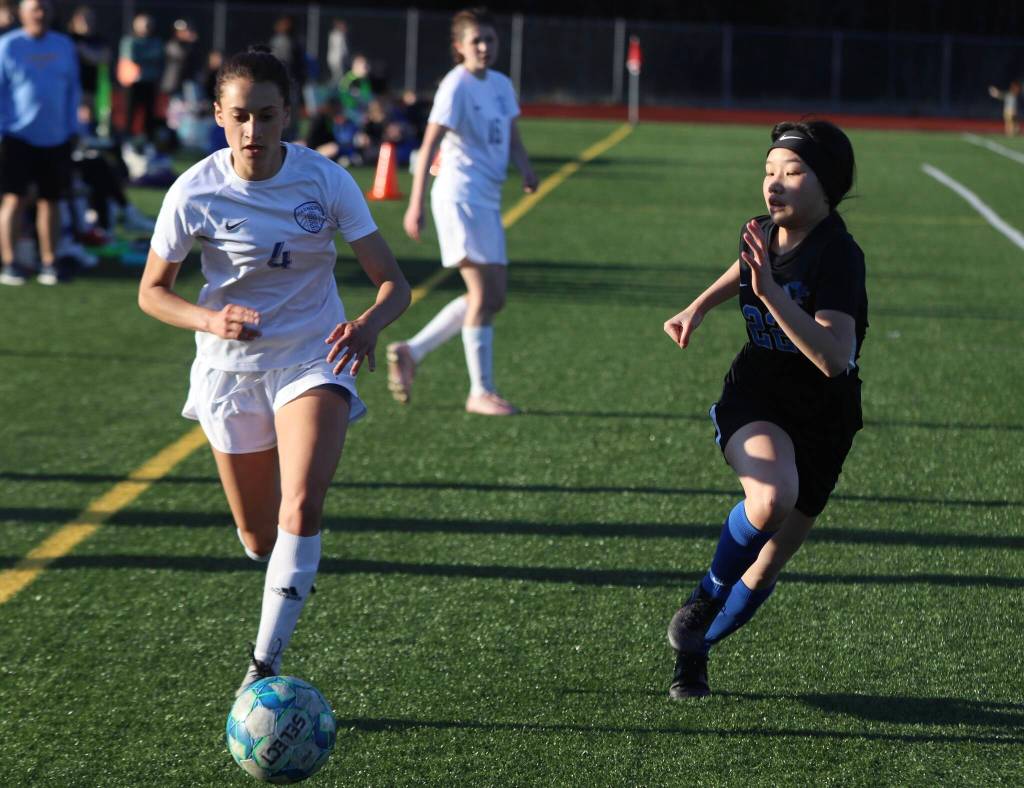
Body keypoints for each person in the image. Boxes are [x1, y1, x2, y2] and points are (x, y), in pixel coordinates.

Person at [137, 47, 411, 694]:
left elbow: (393, 285)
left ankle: (262, 667)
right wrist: (211, 321)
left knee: (302, 501)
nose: (253, 132)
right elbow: (151, 291)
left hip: (314, 355)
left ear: (288, 112)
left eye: (266, 115)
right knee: (260, 538)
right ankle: (284, 566)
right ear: (218, 116)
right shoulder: (194, 190)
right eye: (240, 117)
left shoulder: (327, 181)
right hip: (229, 372)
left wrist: (368, 324)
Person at [661, 120, 867, 699]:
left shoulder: (840, 257)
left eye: (792, 173)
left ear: (827, 186)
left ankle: (693, 653)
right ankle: (703, 599)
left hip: (824, 418)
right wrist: (698, 306)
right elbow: (745, 269)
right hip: (757, 394)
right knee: (770, 498)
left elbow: (833, 358)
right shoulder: (760, 230)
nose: (773, 184)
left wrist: (772, 295)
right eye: (768, 172)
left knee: (765, 567)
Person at [388, 7, 538, 416]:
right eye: (476, 41)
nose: (485, 47)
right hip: (458, 196)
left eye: (490, 39)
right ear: (459, 47)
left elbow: (511, 135)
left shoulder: (502, 85)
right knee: (483, 294)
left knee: (494, 297)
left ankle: (411, 351)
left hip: (486, 199)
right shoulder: (455, 86)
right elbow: (430, 143)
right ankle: (480, 391)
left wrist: (525, 167)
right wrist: (415, 202)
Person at [0, 0, 80, 286]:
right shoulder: (8, 45)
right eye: (34, 8)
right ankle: (10, 263)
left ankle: (49, 261)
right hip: (17, 136)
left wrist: (74, 126)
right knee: (14, 198)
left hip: (57, 137)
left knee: (51, 200)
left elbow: (73, 89)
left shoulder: (63, 45)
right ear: (21, 13)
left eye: (44, 8)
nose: (40, 14)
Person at [118, 13, 163, 142]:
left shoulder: (156, 41)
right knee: (130, 113)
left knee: (149, 114)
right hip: (133, 83)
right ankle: (126, 141)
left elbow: (158, 56)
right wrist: (149, 57)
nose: (147, 28)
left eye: (149, 25)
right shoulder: (129, 41)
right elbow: (133, 57)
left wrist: (146, 57)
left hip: (149, 83)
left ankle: (148, 141)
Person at [326, 19, 349, 87]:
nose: (344, 27)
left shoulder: (341, 35)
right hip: (335, 60)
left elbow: (344, 50)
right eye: (342, 26)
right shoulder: (335, 35)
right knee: (337, 76)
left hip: (340, 60)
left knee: (339, 76)